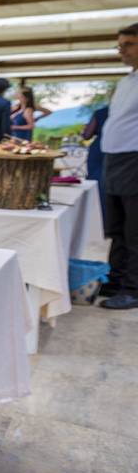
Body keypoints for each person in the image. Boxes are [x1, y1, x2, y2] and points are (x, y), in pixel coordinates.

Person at [99, 22, 138, 310]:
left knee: (134, 228)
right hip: (114, 158)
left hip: (135, 159)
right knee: (116, 227)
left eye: (128, 44)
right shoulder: (127, 81)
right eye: (119, 45)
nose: (121, 51)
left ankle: (134, 288)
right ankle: (115, 278)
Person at [82, 104, 109, 218]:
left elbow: (87, 135)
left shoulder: (101, 111)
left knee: (96, 182)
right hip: (120, 148)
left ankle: (95, 216)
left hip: (99, 149)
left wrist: (84, 129)